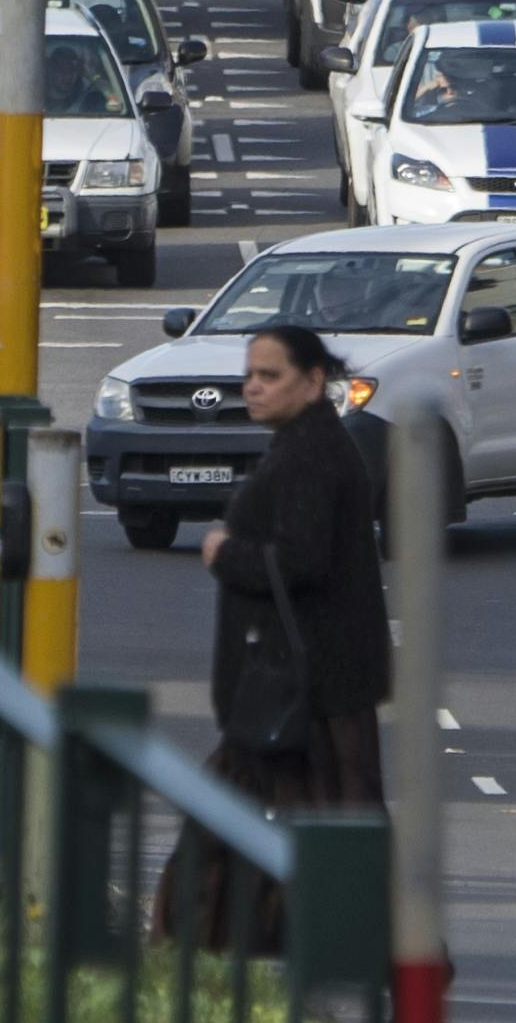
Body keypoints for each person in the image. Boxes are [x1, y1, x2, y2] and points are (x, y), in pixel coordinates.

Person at [167, 321, 393, 948]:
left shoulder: (309, 455)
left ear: (315, 380)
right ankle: (365, 962)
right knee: (324, 834)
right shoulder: (309, 443)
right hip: (303, 687)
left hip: (304, 688)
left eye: (270, 376)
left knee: (296, 833)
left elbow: (301, 560)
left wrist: (224, 552)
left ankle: (194, 954)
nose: (252, 388)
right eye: (250, 375)